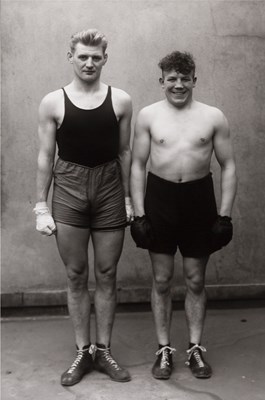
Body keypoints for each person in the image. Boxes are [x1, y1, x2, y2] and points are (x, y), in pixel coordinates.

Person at [34, 28, 134, 386]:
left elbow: (124, 153)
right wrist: (40, 207)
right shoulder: (53, 102)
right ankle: (82, 350)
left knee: (107, 273)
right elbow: (46, 156)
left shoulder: (120, 100)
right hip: (70, 189)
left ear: (105, 59)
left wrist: (128, 198)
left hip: (109, 188)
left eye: (96, 57)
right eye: (83, 56)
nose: (89, 62)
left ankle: (103, 350)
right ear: (71, 57)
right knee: (76, 275)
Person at [130, 51, 237, 380]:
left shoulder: (213, 116)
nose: (178, 84)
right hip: (160, 199)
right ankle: (163, 349)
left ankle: (194, 348)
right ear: (162, 81)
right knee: (161, 280)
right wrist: (139, 214)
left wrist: (225, 216)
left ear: (194, 80)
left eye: (184, 78)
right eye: (171, 79)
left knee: (195, 279)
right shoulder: (148, 116)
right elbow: (136, 165)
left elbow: (228, 165)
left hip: (198, 201)